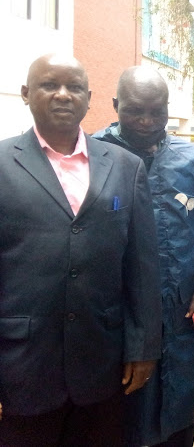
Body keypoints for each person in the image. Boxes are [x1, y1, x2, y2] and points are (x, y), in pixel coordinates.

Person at [0, 54, 161, 446]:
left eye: (74, 88)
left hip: (101, 364)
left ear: (89, 99)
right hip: (22, 364)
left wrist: (143, 349)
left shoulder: (125, 167)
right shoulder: (3, 163)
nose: (62, 95)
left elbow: (141, 267)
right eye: (49, 85)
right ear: (25, 94)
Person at [93, 66, 194, 447]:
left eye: (157, 112)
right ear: (115, 106)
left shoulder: (193, 160)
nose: (146, 121)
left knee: (177, 412)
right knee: (119, 416)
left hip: (180, 317)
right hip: (118, 315)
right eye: (134, 111)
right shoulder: (95, 156)